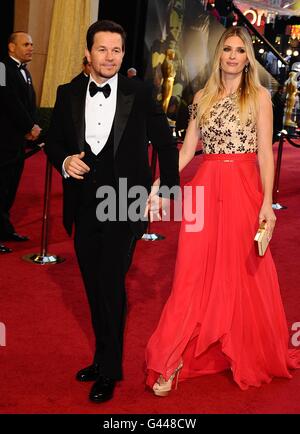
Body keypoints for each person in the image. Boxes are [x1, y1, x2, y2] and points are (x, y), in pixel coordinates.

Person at [145, 26, 300, 395]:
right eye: (227, 49)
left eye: (240, 50)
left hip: (243, 189)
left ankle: (241, 344)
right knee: (189, 272)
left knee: (241, 271)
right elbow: (187, 150)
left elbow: (265, 153)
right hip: (205, 186)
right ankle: (171, 357)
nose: (233, 56)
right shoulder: (202, 96)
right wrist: (162, 181)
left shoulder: (260, 97)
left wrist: (266, 202)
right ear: (219, 54)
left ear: (248, 58)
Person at [45, 20, 179, 403]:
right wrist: (66, 159)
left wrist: (167, 187)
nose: (109, 57)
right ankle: (102, 357)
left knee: (110, 284)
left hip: (125, 201)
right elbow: (54, 143)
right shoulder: (67, 91)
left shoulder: (139, 91)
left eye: (116, 50)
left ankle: (109, 368)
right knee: (92, 284)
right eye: (102, 49)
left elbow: (165, 145)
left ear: (123, 53)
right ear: (88, 53)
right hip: (84, 203)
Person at [0, 32, 41, 251]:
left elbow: (29, 103)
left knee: (10, 187)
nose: (30, 48)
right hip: (2, 141)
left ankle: (5, 229)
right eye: (25, 44)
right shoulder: (0, 68)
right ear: (11, 47)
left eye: (32, 44)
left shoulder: (25, 72)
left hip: (17, 142)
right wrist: (29, 126)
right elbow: (7, 99)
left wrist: (32, 126)